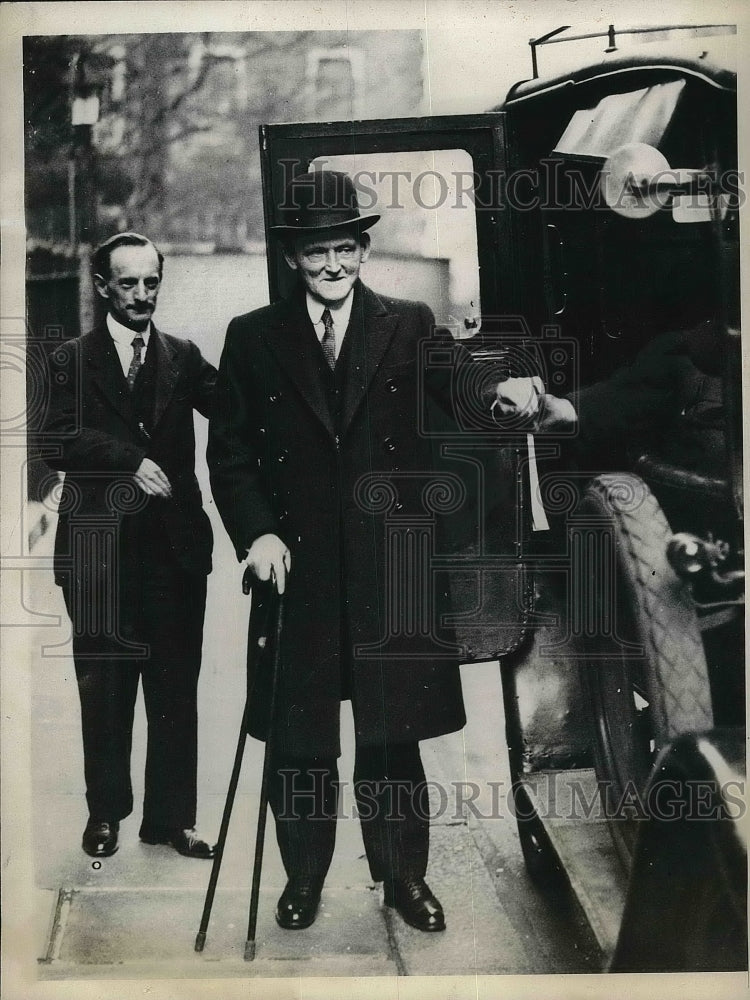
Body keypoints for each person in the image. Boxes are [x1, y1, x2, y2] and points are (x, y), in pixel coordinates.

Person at [208, 171, 471, 933]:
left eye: (346, 248)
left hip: (391, 570)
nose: (333, 264)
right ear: (293, 257)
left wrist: (502, 377)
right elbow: (230, 455)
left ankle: (402, 880)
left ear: (364, 248)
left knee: (393, 741)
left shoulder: (412, 323)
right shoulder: (252, 337)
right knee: (301, 741)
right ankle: (304, 879)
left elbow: (458, 410)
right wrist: (257, 531)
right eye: (317, 251)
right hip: (301, 572)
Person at [45, 232, 217, 860]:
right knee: (107, 687)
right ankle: (107, 814)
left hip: (174, 554)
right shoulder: (70, 359)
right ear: (102, 287)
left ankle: (171, 820)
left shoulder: (183, 355)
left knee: (176, 688)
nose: (143, 295)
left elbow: (238, 406)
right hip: (98, 553)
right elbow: (53, 439)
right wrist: (127, 461)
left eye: (151, 282)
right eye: (128, 284)